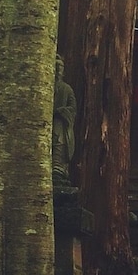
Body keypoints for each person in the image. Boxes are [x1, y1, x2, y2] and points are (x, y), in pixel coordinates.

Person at [52, 55, 76, 186]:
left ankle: (58, 166)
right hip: (47, 122)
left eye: (60, 67)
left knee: (59, 140)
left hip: (60, 122)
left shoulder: (66, 89)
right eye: (55, 67)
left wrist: (62, 111)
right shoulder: (46, 86)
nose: (57, 70)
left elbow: (72, 108)